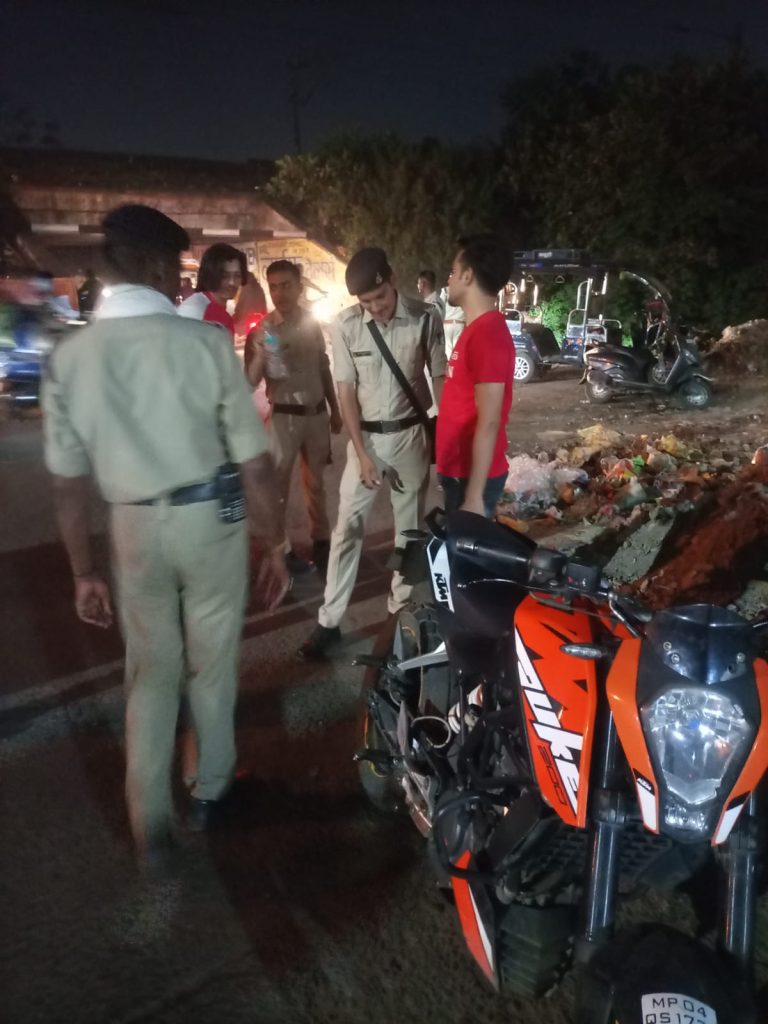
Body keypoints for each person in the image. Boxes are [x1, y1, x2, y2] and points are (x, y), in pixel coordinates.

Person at [42, 203, 288, 870]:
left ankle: (150, 824)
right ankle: (209, 790)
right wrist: (274, 542)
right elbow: (254, 464)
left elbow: (66, 484)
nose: (181, 278)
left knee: (150, 672)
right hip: (210, 522)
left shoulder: (71, 357)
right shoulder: (202, 344)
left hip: (132, 527)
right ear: (155, 266)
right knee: (212, 663)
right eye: (177, 266)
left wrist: (83, 572)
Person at [299, 247, 446, 660]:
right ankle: (329, 621)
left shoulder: (425, 317)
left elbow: (439, 377)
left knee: (408, 533)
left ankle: (398, 617)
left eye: (379, 297)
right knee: (347, 529)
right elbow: (345, 391)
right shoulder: (346, 325)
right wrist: (361, 454)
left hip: (411, 437)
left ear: (392, 281)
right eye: (366, 302)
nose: (375, 307)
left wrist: (448, 432)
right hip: (367, 441)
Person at [246, 259, 342, 576]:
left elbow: (323, 367)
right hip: (283, 420)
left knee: (316, 485)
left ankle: (322, 543)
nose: (280, 293)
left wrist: (335, 410)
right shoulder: (263, 330)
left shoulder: (312, 324)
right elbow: (250, 381)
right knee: (277, 491)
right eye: (273, 287)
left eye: (286, 285)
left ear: (300, 287)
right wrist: (262, 353)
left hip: (315, 416)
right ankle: (281, 550)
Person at [436, 233, 515, 517]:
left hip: (470, 479)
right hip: (459, 472)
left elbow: (490, 421)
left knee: (465, 547)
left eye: (453, 272)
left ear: (467, 275)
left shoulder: (487, 336)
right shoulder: (477, 329)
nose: (449, 279)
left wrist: (474, 496)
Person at [178, 243, 246, 337]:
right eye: (224, 276)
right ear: (211, 275)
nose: (232, 282)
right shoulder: (197, 310)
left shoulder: (212, 307)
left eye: (237, 275)